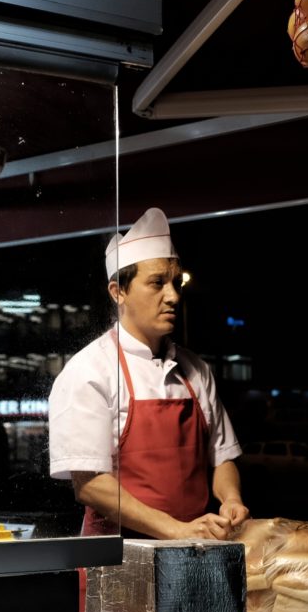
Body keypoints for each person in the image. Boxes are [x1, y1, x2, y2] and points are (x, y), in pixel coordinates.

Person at [49, 208, 249, 540]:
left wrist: (231, 499)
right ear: (118, 292)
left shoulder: (195, 369)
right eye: (157, 283)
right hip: (117, 557)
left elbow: (222, 455)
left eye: (176, 282)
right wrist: (176, 529)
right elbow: (90, 486)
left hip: (192, 548)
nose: (172, 296)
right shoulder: (89, 371)